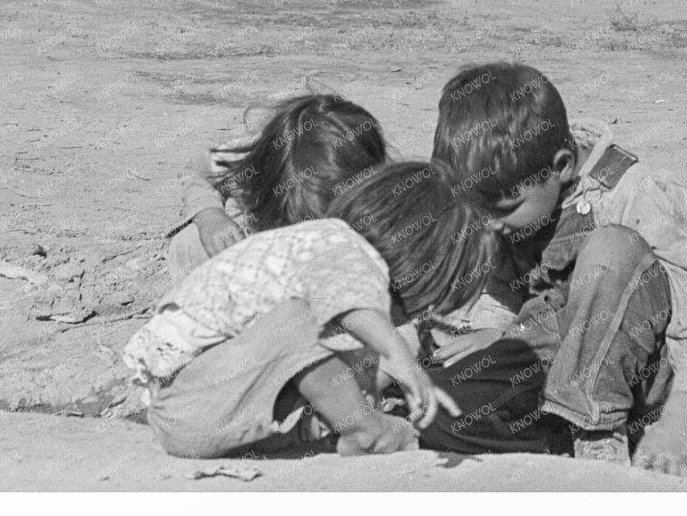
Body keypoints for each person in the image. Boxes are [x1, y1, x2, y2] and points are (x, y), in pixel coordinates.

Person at [426, 61, 687, 477]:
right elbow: (503, 284)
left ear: (561, 166)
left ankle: (598, 434)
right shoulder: (509, 200)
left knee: (612, 247)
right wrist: (491, 329)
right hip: (555, 360)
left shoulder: (629, 192)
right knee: (441, 405)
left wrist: (677, 425)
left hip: (641, 380)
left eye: (503, 211)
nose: (491, 225)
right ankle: (558, 433)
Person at [125, 160, 499, 460]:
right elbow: (352, 307)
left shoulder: (323, 244)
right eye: (424, 299)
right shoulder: (340, 248)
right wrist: (400, 358)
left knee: (338, 347)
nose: (417, 313)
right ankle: (365, 432)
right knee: (307, 323)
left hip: (219, 398)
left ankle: (325, 427)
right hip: (192, 404)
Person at [164, 93, 388, 286]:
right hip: (255, 246)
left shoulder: (376, 198)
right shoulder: (248, 162)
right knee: (190, 244)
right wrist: (210, 218)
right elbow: (196, 171)